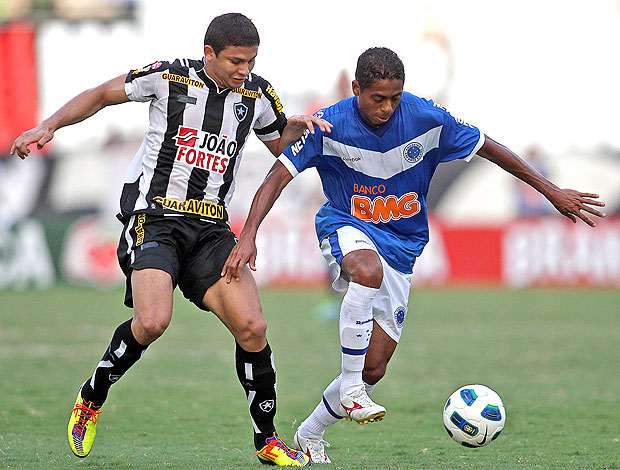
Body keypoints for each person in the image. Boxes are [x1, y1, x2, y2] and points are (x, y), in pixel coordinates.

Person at [221, 47, 607, 463]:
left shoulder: (426, 118)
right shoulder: (328, 125)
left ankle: (312, 431)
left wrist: (551, 191)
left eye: (395, 97)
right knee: (364, 272)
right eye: (377, 98)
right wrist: (250, 234)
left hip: (403, 247)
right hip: (346, 226)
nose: (387, 107)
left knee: (374, 369)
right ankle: (350, 391)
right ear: (356, 90)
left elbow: (489, 148)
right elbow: (277, 176)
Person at [10, 13, 332, 466]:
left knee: (253, 328)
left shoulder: (257, 93)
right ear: (209, 54)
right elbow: (102, 94)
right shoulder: (170, 76)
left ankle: (267, 441)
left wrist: (301, 130)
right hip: (155, 218)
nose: (244, 69)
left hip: (212, 228)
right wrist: (50, 125)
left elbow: (281, 147)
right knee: (153, 322)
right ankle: (91, 396)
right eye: (236, 61)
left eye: (251, 61)